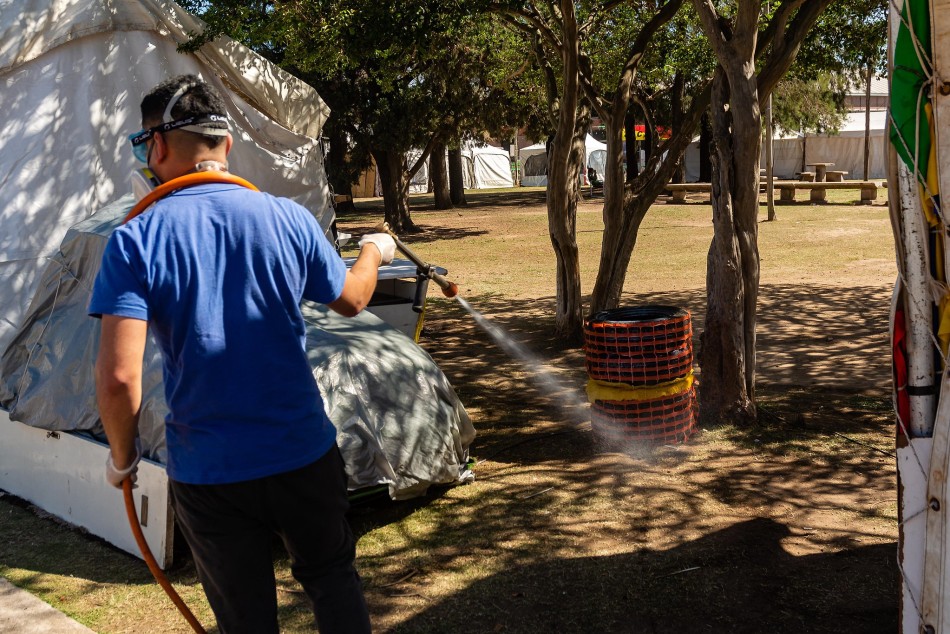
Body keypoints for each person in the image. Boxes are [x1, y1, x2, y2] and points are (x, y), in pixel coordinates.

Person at [89, 74, 393, 633]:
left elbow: (117, 379)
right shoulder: (288, 218)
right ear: (225, 146)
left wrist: (122, 459)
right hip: (302, 454)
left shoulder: (135, 239)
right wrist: (374, 250)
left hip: (210, 472)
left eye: (141, 145)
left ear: (156, 146)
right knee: (332, 582)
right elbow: (352, 298)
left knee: (245, 619)